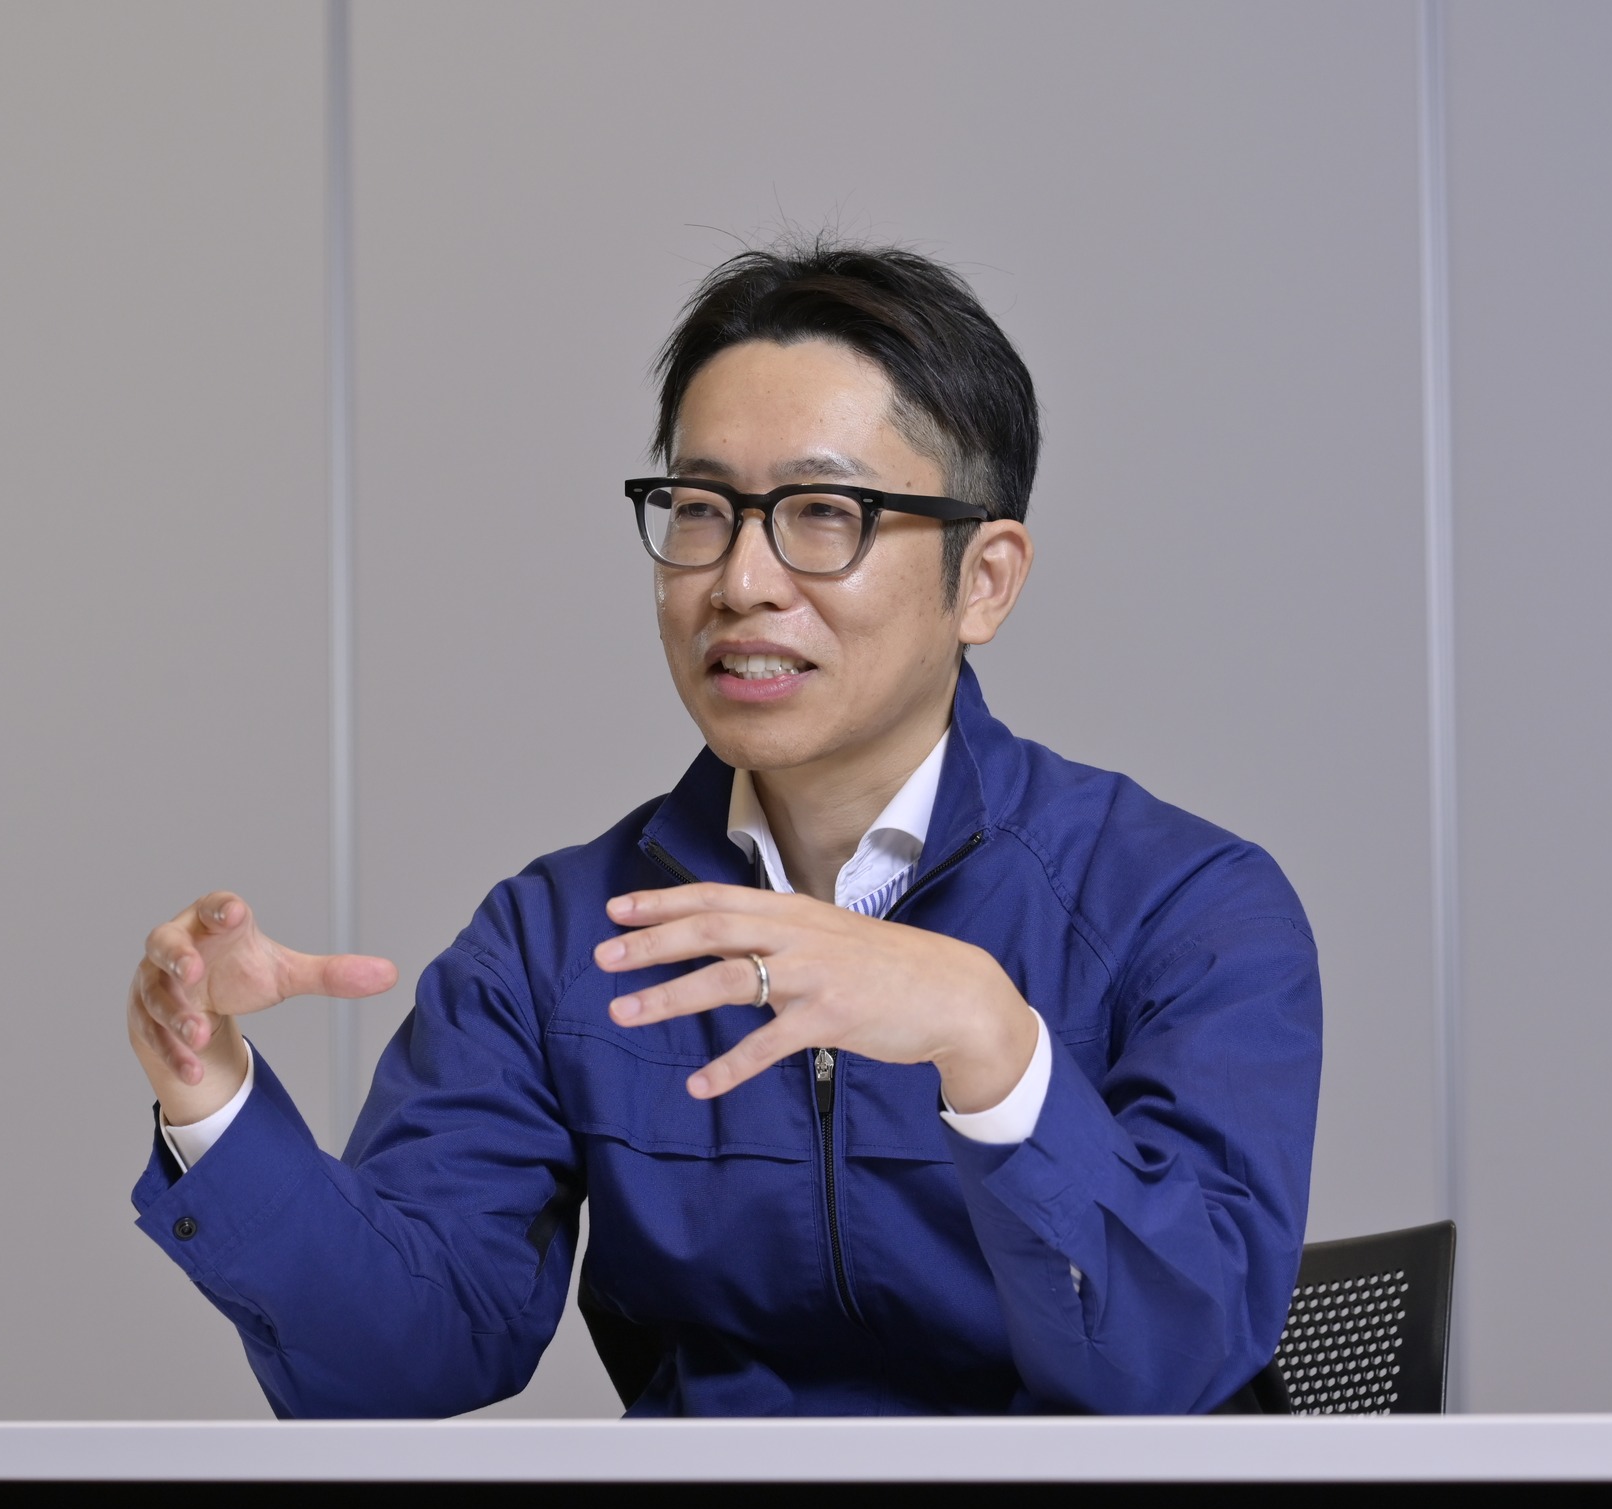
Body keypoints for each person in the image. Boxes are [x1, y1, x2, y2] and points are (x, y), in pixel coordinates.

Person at [124, 242, 1321, 1417]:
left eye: (824, 512)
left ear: (984, 580)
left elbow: (1176, 1359)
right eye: (701, 510)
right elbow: (408, 1358)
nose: (740, 580)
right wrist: (215, 1101)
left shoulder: (1186, 907)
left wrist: (991, 1042)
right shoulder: (560, 939)